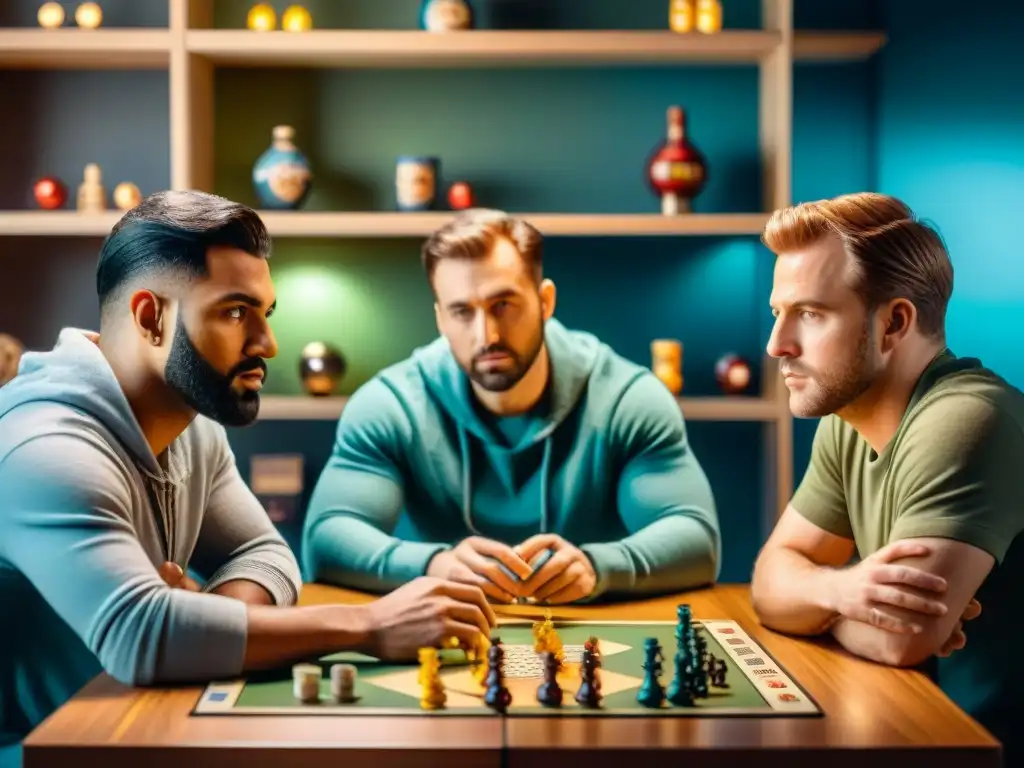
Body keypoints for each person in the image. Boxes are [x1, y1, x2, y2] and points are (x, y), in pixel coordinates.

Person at [0, 191, 495, 768]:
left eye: (265, 313)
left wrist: (207, 620)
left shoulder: (188, 423)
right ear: (150, 317)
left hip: (138, 730)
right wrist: (371, 624)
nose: (268, 344)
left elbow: (265, 552)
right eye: (236, 312)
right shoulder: (44, 446)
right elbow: (142, 636)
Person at [302, 208, 720, 605]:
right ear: (440, 319)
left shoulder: (628, 398)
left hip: (585, 637)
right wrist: (435, 565)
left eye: (503, 304)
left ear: (545, 301)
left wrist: (597, 567)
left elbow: (697, 539)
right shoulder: (390, 405)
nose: (487, 335)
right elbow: (326, 539)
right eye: (462, 311)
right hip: (437, 631)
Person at [750, 192, 1024, 760]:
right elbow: (768, 583)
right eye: (779, 313)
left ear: (894, 322)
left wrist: (818, 606)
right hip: (921, 734)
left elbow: (900, 641)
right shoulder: (848, 419)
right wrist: (842, 590)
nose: (777, 345)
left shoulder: (970, 419)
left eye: (811, 314)